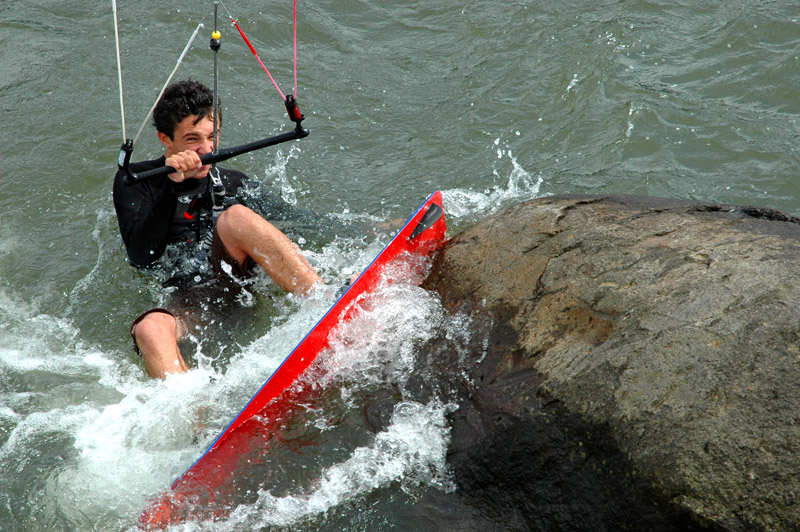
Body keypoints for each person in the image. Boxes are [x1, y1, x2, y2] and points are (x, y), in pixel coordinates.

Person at [113, 80, 321, 379]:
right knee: (149, 328)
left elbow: (302, 221)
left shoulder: (234, 181)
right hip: (187, 304)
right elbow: (142, 256)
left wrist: (375, 227)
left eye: (212, 137)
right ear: (165, 139)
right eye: (192, 139)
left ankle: (321, 299)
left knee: (235, 217)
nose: (207, 149)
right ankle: (192, 415)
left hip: (238, 287)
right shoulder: (137, 180)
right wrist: (172, 185)